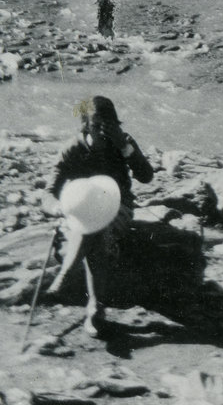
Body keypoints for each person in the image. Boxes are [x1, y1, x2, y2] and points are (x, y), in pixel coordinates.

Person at [46, 95, 153, 335]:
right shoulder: (73, 148)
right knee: (91, 225)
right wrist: (57, 208)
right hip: (81, 207)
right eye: (96, 126)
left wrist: (125, 148)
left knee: (97, 228)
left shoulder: (122, 143)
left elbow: (146, 176)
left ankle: (67, 273)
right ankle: (95, 308)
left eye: (108, 125)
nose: (102, 132)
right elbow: (48, 193)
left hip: (118, 205)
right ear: (85, 125)